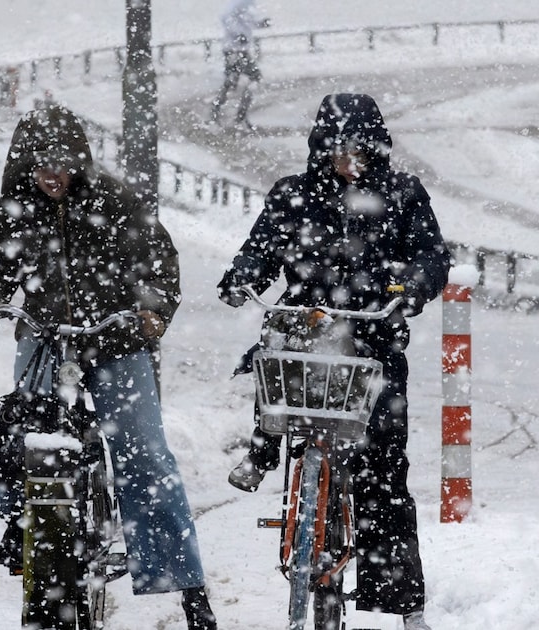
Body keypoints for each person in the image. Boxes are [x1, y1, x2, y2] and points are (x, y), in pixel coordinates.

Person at [0, 105, 217, 630]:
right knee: (25, 441)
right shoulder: (9, 213)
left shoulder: (115, 203)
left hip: (115, 341)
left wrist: (151, 311)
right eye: (41, 165)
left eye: (62, 164)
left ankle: (186, 586)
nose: (53, 176)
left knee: (143, 454)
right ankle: (27, 543)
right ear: (24, 165)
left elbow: (156, 259)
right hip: (45, 340)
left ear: (80, 162)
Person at [217, 93, 452, 630]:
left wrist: (413, 287)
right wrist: (243, 278)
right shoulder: (292, 196)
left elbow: (430, 255)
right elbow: (260, 249)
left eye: (360, 152)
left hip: (374, 342)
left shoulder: (402, 195)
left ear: (377, 151)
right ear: (321, 150)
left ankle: (402, 601)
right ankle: (262, 451)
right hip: (308, 330)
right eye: (339, 151)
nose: (349, 162)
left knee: (385, 471)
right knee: (273, 355)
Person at [210, 0, 268, 130]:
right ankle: (237, 118)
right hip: (234, 50)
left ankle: (217, 114)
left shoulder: (247, 3)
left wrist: (260, 24)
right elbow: (226, 17)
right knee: (254, 78)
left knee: (231, 82)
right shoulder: (240, 2)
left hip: (238, 50)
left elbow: (246, 21)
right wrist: (238, 34)